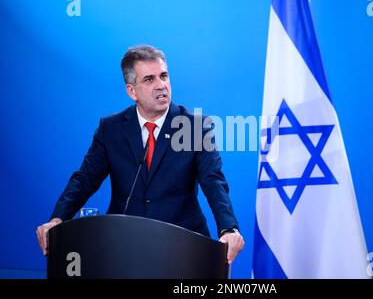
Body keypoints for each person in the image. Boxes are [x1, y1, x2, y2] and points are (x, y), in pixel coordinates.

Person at [36, 45, 244, 264]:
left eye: (164, 76)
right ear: (131, 91)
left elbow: (214, 181)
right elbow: (85, 179)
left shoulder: (195, 127)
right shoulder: (111, 129)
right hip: (122, 245)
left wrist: (228, 228)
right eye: (149, 79)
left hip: (184, 246)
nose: (161, 85)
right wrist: (58, 218)